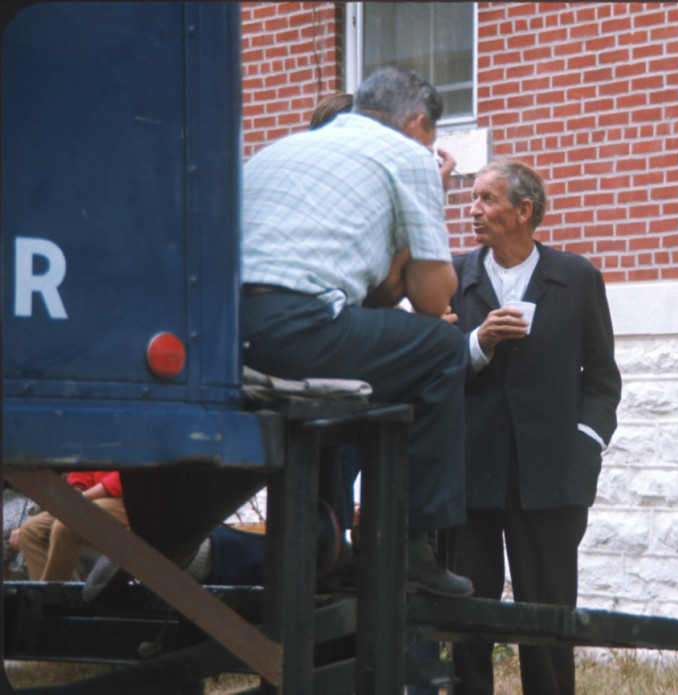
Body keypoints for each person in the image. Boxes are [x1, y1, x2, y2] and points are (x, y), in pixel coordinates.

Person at [240, 66, 472, 597]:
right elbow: (434, 300)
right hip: (294, 328)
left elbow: (380, 296)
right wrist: (428, 204)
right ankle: (410, 541)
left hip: (224, 333)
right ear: (417, 125)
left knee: (349, 369)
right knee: (441, 348)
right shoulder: (409, 156)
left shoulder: (283, 148)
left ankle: (326, 538)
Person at [443, 160, 622, 695]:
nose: (473, 210)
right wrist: (479, 342)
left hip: (549, 479)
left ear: (524, 211)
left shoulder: (577, 277)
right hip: (471, 474)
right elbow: (431, 370)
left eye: (487, 200)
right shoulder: (454, 278)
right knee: (467, 615)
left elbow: (603, 381)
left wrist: (583, 447)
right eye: (472, 199)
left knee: (547, 620)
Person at [10, 471, 128, 581]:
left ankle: (50, 598)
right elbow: (85, 467)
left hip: (127, 498)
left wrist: (79, 499)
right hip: (93, 497)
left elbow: (123, 478)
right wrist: (72, 496)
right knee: (30, 531)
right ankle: (53, 593)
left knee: (65, 525)